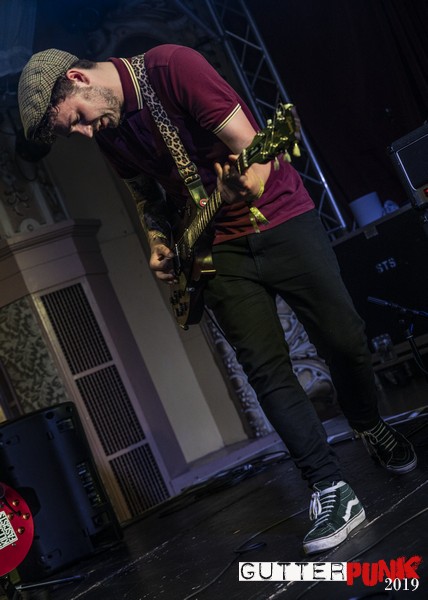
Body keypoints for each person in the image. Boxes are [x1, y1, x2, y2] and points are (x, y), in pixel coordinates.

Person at [18, 44, 417, 555]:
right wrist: (159, 243)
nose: (84, 133)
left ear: (78, 78)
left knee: (345, 339)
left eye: (76, 119)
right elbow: (146, 196)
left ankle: (366, 422)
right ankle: (328, 486)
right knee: (265, 371)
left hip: (280, 218)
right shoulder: (110, 129)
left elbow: (254, 148)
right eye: (73, 131)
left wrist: (246, 185)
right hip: (215, 251)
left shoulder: (173, 68)